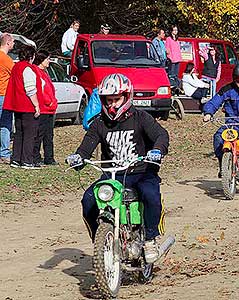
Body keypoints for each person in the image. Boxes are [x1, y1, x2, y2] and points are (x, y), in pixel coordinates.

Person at [65, 73, 169, 264]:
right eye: (108, 100)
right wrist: (79, 157)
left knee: (151, 195)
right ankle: (102, 241)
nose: (112, 104)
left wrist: (157, 150)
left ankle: (150, 239)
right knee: (88, 200)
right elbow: (87, 145)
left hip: (141, 172)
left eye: (116, 99)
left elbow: (161, 135)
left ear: (127, 97)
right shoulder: (99, 123)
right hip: (112, 174)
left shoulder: (141, 117)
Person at [2, 45, 41, 169]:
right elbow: (30, 89)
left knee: (19, 133)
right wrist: (36, 105)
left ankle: (16, 159)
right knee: (30, 134)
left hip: (16, 105)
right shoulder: (27, 69)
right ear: (32, 56)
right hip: (27, 105)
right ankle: (27, 160)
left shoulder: (16, 67)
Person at [32, 50, 58, 166]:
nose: (49, 61)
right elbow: (41, 91)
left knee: (49, 135)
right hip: (43, 108)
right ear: (41, 60)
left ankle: (49, 157)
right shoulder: (37, 72)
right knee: (39, 134)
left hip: (50, 109)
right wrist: (49, 101)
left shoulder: (45, 72)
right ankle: (36, 157)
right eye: (47, 59)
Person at [0, 33, 15, 164]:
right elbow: (16, 74)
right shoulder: (6, 59)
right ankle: (4, 153)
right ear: (8, 43)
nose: (14, 44)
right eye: (13, 42)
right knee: (5, 125)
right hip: (3, 94)